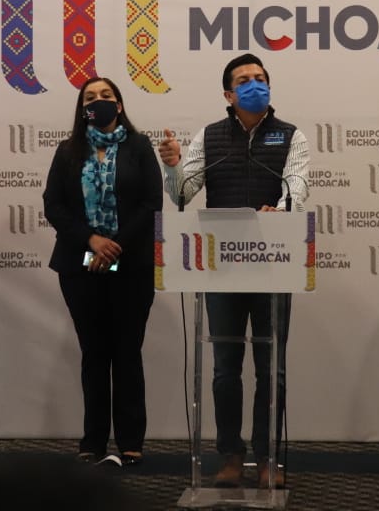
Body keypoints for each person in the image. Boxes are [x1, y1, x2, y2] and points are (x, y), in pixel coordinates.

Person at [157, 53, 309, 489]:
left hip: (273, 264)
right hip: (220, 267)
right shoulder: (209, 137)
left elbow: (297, 185)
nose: (254, 84)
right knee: (225, 367)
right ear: (229, 94)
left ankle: (267, 457)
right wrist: (172, 165)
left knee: (271, 369)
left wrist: (280, 209)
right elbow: (183, 193)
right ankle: (230, 455)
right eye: (244, 80)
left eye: (260, 78)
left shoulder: (291, 136)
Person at [43, 77, 163, 466]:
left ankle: (130, 441)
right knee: (94, 353)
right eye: (91, 97)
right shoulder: (68, 151)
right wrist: (92, 240)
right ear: (83, 109)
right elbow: (53, 205)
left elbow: (151, 203)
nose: (99, 101)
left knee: (127, 352)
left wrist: (114, 244)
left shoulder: (140, 147)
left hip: (132, 265)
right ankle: (93, 440)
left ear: (120, 104)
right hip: (80, 265)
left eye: (106, 96)